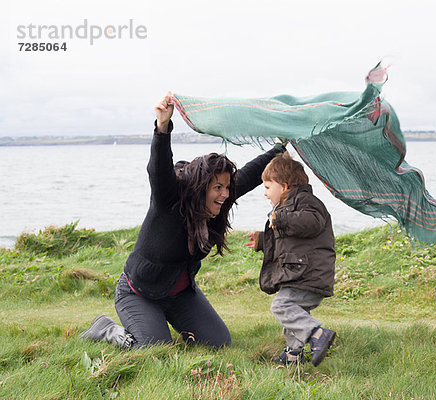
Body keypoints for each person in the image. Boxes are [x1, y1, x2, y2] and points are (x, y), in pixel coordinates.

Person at [80, 92, 287, 348]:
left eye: (227, 188)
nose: (225, 195)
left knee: (219, 343)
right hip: (139, 294)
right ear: (201, 188)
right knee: (154, 349)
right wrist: (162, 127)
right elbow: (159, 168)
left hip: (180, 295)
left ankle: (166, 322)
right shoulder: (169, 200)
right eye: (218, 188)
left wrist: (280, 147)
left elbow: (250, 173)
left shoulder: (218, 202)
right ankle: (107, 329)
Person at [246, 152, 336, 366]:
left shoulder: (307, 202)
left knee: (282, 307)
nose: (265, 193)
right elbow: (289, 240)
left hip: (307, 274)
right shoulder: (286, 208)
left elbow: (311, 223)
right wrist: (262, 241)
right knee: (294, 316)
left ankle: (317, 334)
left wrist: (281, 219)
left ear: (284, 186)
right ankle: (294, 355)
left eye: (268, 187)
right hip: (299, 272)